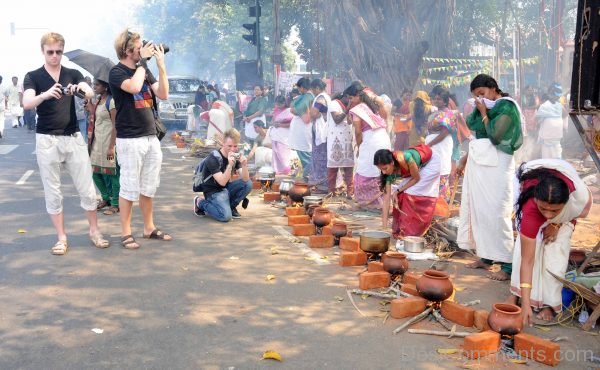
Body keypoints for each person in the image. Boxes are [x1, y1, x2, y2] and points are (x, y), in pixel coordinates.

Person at [22, 31, 109, 255]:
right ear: (43, 52)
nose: (54, 56)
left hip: (72, 137)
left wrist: (79, 89)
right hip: (47, 139)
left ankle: (94, 231)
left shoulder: (72, 73)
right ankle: (61, 237)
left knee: (88, 190)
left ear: (62, 51)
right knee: (53, 191)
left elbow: (89, 91)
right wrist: (46, 94)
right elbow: (27, 102)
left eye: (58, 52)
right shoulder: (33, 76)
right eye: (50, 52)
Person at [456, 74, 524, 281]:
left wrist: (484, 112)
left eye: (482, 94)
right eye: (476, 96)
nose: (480, 99)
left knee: (497, 212)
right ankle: (486, 258)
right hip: (479, 165)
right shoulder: (486, 108)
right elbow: (479, 136)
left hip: (497, 166)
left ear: (493, 88)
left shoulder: (507, 107)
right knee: (480, 210)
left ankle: (508, 264)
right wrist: (464, 159)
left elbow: (494, 136)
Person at [108, 29, 172, 249]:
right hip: (130, 138)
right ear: (127, 50)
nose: (142, 49)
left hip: (150, 136)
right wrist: (143, 62)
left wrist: (161, 65)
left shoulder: (144, 69)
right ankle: (126, 233)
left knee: (149, 186)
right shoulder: (116, 72)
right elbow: (134, 87)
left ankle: (148, 228)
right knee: (128, 187)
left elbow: (163, 94)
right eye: (138, 47)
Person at [509, 159, 592, 325]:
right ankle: (518, 297)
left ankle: (549, 304)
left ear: (565, 204)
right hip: (533, 200)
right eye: (543, 209)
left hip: (566, 215)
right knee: (524, 252)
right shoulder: (531, 207)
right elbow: (528, 260)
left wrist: (557, 223)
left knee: (556, 256)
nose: (547, 214)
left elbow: (575, 213)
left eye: (554, 210)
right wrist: (525, 306)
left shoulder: (578, 197)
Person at [375, 146, 440, 238]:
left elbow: (417, 178)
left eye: (385, 168)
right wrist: (384, 229)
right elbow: (386, 201)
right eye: (381, 169)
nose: (384, 172)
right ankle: (402, 229)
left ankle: (411, 232)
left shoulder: (406, 158)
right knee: (400, 195)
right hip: (417, 169)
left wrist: (397, 191)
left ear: (392, 163)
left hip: (430, 162)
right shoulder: (387, 173)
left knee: (410, 194)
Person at [345, 81, 391, 208]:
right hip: (383, 138)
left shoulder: (357, 109)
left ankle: (369, 203)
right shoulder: (372, 106)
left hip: (371, 141)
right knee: (379, 170)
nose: (350, 101)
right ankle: (380, 201)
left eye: (351, 98)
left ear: (357, 96)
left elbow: (358, 132)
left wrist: (359, 146)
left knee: (366, 169)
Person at [193, 128, 252, 222]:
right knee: (225, 216)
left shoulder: (235, 155)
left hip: (225, 190)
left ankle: (230, 207)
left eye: (235, 146)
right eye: (229, 146)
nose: (232, 149)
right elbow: (222, 182)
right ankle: (200, 203)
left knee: (248, 184)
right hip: (213, 192)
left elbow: (245, 179)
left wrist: (244, 165)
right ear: (223, 143)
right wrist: (230, 165)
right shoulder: (213, 158)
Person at [89, 79, 120, 216]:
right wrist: (89, 103)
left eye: (97, 85)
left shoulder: (111, 102)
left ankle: (115, 204)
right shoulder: (98, 101)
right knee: (95, 173)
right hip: (97, 143)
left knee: (113, 174)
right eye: (93, 84)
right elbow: (94, 115)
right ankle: (106, 198)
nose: (94, 87)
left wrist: (111, 146)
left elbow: (115, 125)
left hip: (109, 142)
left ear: (105, 87)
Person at [427, 87, 459, 200]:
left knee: (441, 170)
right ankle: (433, 200)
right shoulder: (436, 112)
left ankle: (442, 202)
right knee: (432, 170)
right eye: (435, 99)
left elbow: (444, 133)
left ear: (445, 101)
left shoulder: (448, 114)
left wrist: (429, 144)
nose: (436, 101)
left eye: (439, 99)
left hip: (441, 144)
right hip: (434, 144)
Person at [326, 93, 354, 195]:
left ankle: (350, 192)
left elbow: (350, 122)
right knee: (333, 167)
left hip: (346, 139)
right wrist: (347, 109)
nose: (350, 99)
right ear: (343, 97)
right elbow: (337, 120)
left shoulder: (349, 107)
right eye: (349, 97)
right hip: (335, 140)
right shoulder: (334, 103)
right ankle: (331, 192)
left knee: (349, 167)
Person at [289, 77, 314, 181]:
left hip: (303, 130)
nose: (299, 90)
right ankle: (308, 175)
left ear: (303, 87)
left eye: (299, 88)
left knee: (305, 154)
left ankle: (309, 176)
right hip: (300, 129)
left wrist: (293, 109)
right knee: (303, 153)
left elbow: (295, 109)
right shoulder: (304, 96)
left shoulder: (308, 97)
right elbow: (292, 106)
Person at [309, 79, 330, 192]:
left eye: (313, 89)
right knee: (322, 157)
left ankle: (322, 184)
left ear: (317, 88)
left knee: (321, 158)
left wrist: (314, 114)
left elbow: (313, 113)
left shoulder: (321, 98)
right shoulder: (326, 97)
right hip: (324, 130)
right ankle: (323, 183)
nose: (312, 91)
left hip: (322, 131)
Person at [536, 85, 568, 159]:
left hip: (556, 136)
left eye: (558, 97)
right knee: (548, 157)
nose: (557, 98)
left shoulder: (559, 106)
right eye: (555, 96)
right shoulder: (544, 106)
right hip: (547, 137)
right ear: (550, 95)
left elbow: (565, 114)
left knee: (556, 156)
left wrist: (564, 127)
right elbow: (538, 120)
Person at [269, 95, 292, 175]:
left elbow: (291, 124)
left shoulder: (289, 111)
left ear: (284, 103)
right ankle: (276, 169)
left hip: (284, 135)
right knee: (275, 152)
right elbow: (272, 121)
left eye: (280, 104)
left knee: (282, 152)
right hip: (276, 134)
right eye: (277, 104)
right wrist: (274, 124)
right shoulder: (276, 110)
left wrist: (280, 125)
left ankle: (286, 169)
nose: (278, 106)